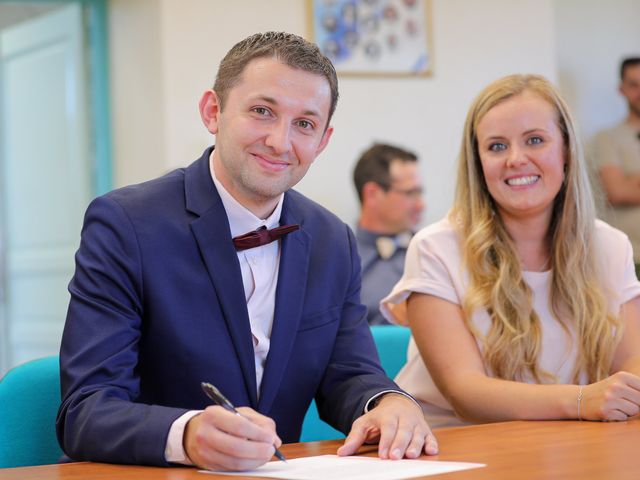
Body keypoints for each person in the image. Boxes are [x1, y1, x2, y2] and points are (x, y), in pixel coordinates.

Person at [55, 32, 437, 471]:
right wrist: (187, 434)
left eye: (305, 124)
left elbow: (349, 375)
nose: (280, 141)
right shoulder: (125, 224)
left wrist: (387, 402)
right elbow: (86, 409)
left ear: (323, 140)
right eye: (262, 112)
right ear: (212, 111)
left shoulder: (332, 239)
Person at [381, 74, 640, 429]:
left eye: (535, 140)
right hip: (456, 449)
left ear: (566, 150)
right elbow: (466, 392)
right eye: (497, 146)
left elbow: (632, 362)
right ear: (479, 162)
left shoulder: (610, 246)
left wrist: (622, 392)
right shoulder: (435, 248)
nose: (516, 159)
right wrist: (583, 400)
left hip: (569, 444)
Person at [352, 143, 425, 325]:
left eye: (420, 193)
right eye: (410, 193)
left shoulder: (434, 250)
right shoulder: (341, 260)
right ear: (373, 194)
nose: (421, 205)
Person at [593, 57, 640, 278]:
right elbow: (616, 191)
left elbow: (625, 187)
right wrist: (623, 186)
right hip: (632, 258)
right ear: (622, 89)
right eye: (633, 84)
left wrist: (632, 179)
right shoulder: (607, 138)